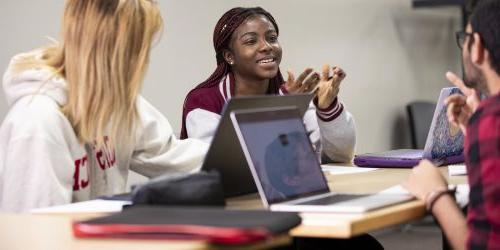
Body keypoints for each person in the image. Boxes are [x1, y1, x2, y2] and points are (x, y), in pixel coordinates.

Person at [0, 0, 208, 212]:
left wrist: (239, 157)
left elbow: (174, 156)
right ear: (120, 52)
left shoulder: (117, 105)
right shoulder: (38, 123)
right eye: (140, 48)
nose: (144, 60)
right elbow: (33, 235)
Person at [181, 7, 356, 163]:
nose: (267, 46)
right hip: (235, 199)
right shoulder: (204, 101)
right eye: (251, 41)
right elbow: (222, 166)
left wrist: (327, 109)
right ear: (229, 56)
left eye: (272, 38)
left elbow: (341, 156)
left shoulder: (292, 94)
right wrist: (283, 112)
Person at [403, 1, 500, 249]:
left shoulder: (492, 121)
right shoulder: (488, 121)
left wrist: (435, 193)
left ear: (477, 46)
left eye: (464, 38)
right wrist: (475, 129)